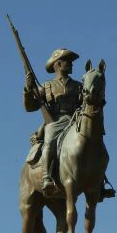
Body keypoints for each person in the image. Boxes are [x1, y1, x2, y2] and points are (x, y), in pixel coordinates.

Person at [23, 48, 82, 197]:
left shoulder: (78, 86)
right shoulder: (46, 86)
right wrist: (28, 89)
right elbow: (30, 108)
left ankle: (100, 181)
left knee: (91, 140)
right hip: (55, 122)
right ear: (58, 64)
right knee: (49, 141)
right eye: (67, 61)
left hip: (75, 120)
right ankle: (46, 177)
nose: (71, 64)